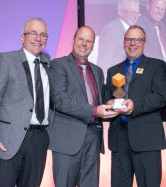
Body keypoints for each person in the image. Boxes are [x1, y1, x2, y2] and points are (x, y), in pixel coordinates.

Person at [0, 18, 51, 186]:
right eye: (33, 33)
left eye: (43, 35)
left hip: (39, 140)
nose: (38, 38)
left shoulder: (48, 63)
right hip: (7, 141)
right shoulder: (5, 60)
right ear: (22, 37)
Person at [48, 26, 119, 187]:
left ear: (93, 45)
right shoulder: (58, 65)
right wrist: (95, 111)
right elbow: (59, 100)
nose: (84, 44)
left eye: (89, 41)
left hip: (93, 138)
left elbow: (101, 99)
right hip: (67, 139)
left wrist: (113, 103)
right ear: (73, 40)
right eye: (81, 39)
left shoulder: (98, 71)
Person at [105, 25, 166, 187]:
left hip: (146, 139)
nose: (132, 43)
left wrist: (135, 104)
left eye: (137, 39)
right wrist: (109, 104)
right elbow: (110, 97)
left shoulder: (156, 66)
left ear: (144, 43)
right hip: (119, 139)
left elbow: (161, 98)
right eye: (128, 39)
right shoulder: (114, 71)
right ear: (123, 42)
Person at [97, 0, 141, 77]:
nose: (135, 16)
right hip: (117, 83)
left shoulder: (134, 30)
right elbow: (104, 62)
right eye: (132, 12)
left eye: (137, 13)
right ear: (120, 12)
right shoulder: (111, 30)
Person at [137, 0, 166, 71]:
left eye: (162, 9)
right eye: (157, 7)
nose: (160, 12)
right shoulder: (139, 25)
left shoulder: (163, 26)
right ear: (148, 6)